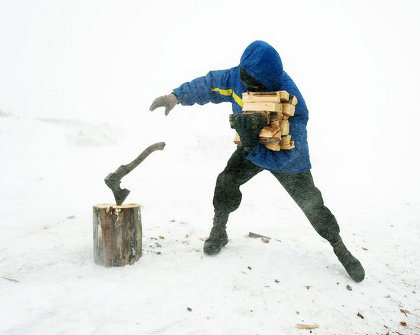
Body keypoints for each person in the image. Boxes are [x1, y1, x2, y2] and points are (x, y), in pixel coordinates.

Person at [150, 40, 365, 282]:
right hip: (250, 146)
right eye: (247, 83)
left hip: (285, 155)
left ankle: (339, 247)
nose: (250, 89)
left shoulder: (293, 101)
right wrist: (176, 96)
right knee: (226, 181)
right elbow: (209, 86)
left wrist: (254, 146)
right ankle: (219, 230)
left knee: (312, 203)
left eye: (257, 86)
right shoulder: (237, 78)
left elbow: (289, 152)